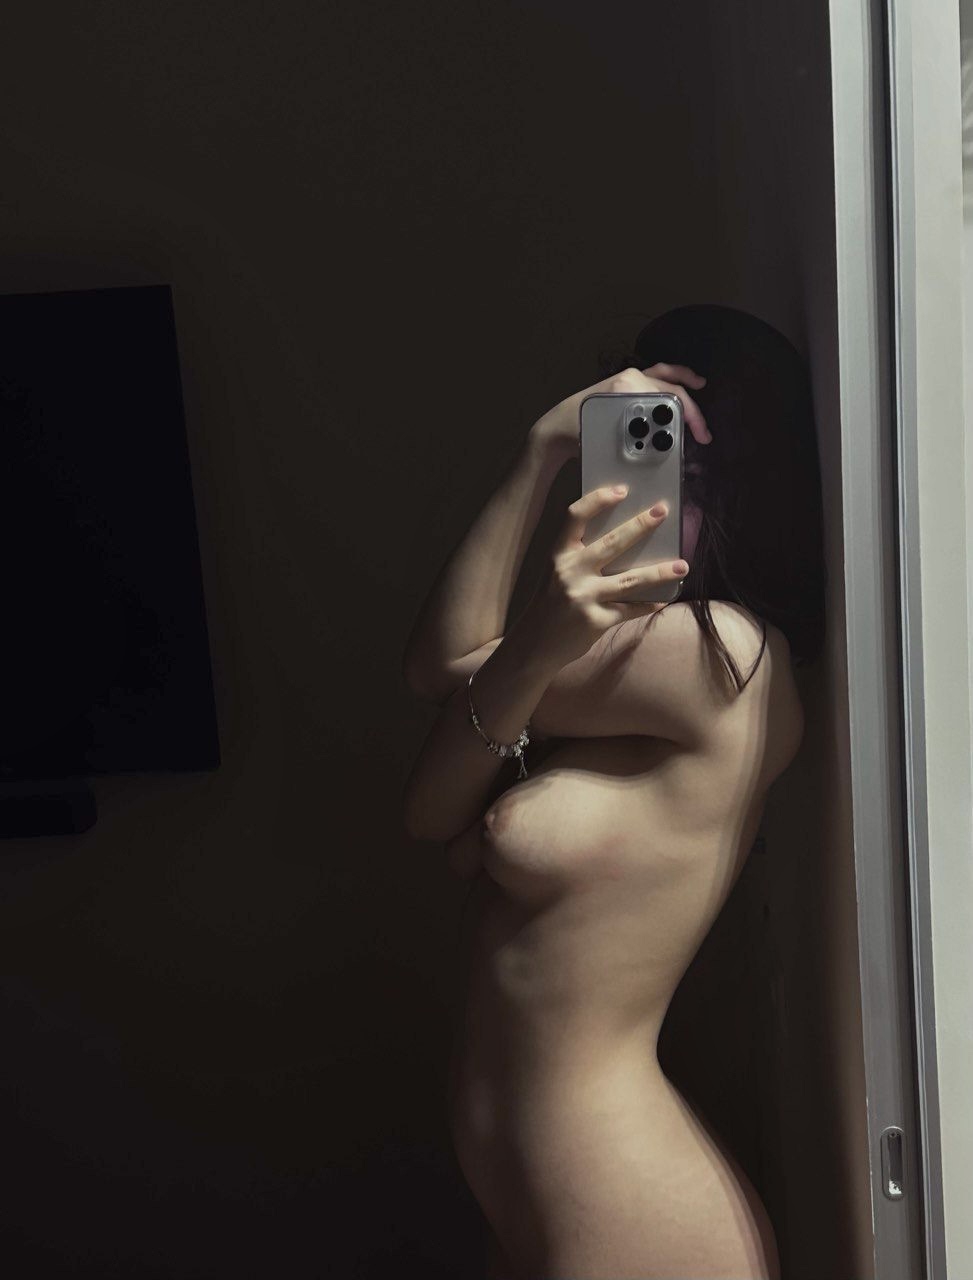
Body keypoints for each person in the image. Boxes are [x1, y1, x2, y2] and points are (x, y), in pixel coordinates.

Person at [401, 304, 827, 1279]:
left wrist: (535, 458)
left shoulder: (726, 657)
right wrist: (546, 454)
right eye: (639, 450)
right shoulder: (615, 674)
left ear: (745, 490)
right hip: (546, 1196)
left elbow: (440, 666)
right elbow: (427, 815)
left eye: (686, 471)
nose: (650, 494)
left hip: (631, 1208)